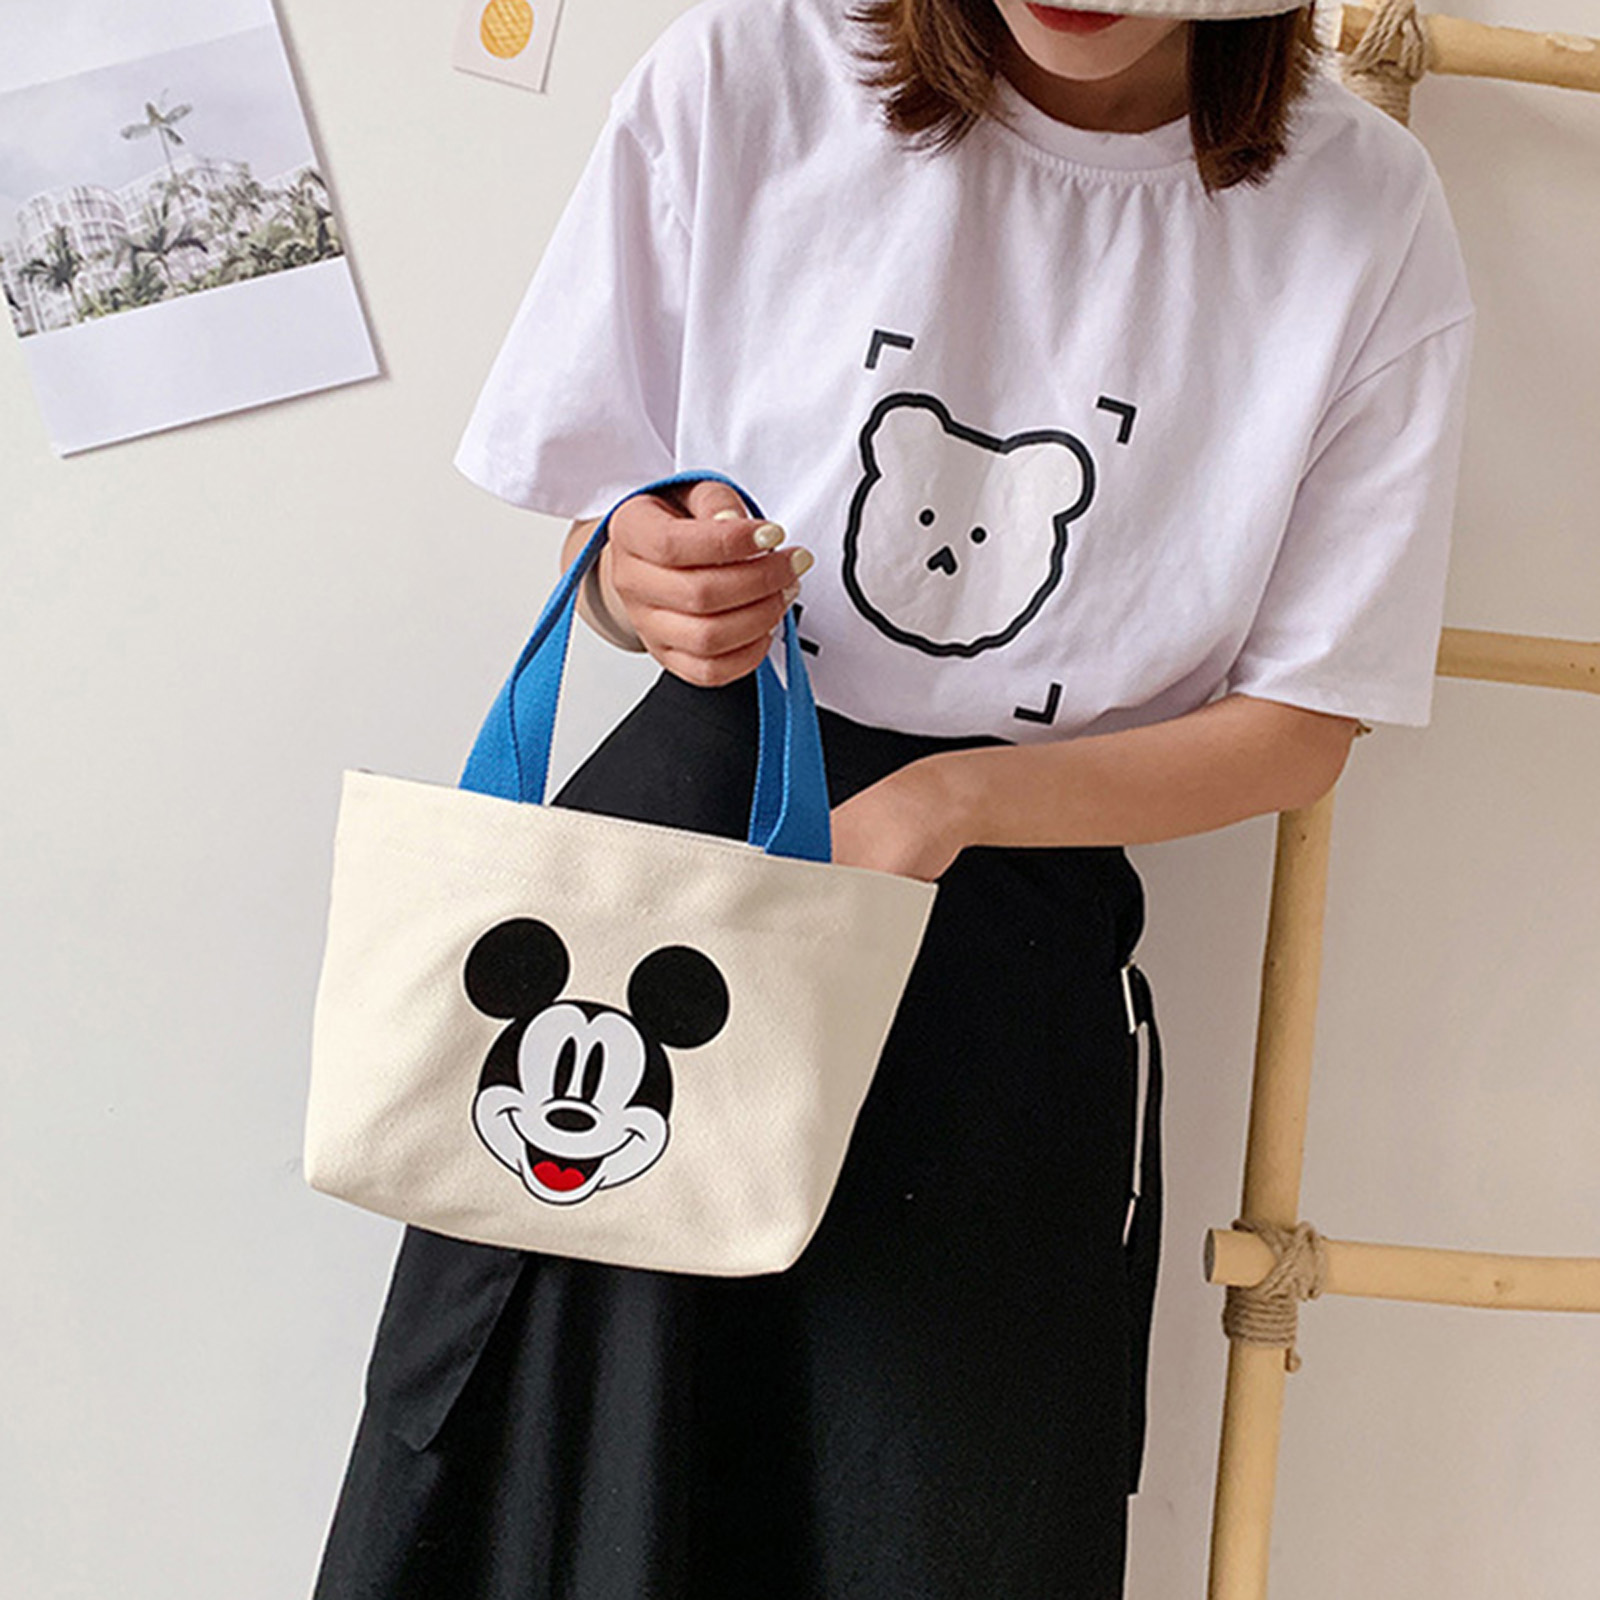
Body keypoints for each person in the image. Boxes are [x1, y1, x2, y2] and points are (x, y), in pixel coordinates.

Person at [311, 1, 1475, 1595]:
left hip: (1000, 961)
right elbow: (600, 534)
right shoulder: (749, 73)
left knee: (929, 1518)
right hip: (671, 898)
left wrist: (945, 807)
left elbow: (1301, 725)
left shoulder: (1362, 208)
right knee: (566, 1504)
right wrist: (647, 580)